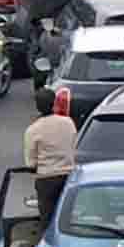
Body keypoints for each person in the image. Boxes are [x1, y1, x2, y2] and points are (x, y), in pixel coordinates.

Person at [23, 86, 77, 235]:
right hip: (69, 177)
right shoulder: (68, 123)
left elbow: (31, 163)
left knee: (47, 220)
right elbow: (73, 146)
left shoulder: (33, 130)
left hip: (46, 180)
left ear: (37, 106)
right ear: (55, 103)